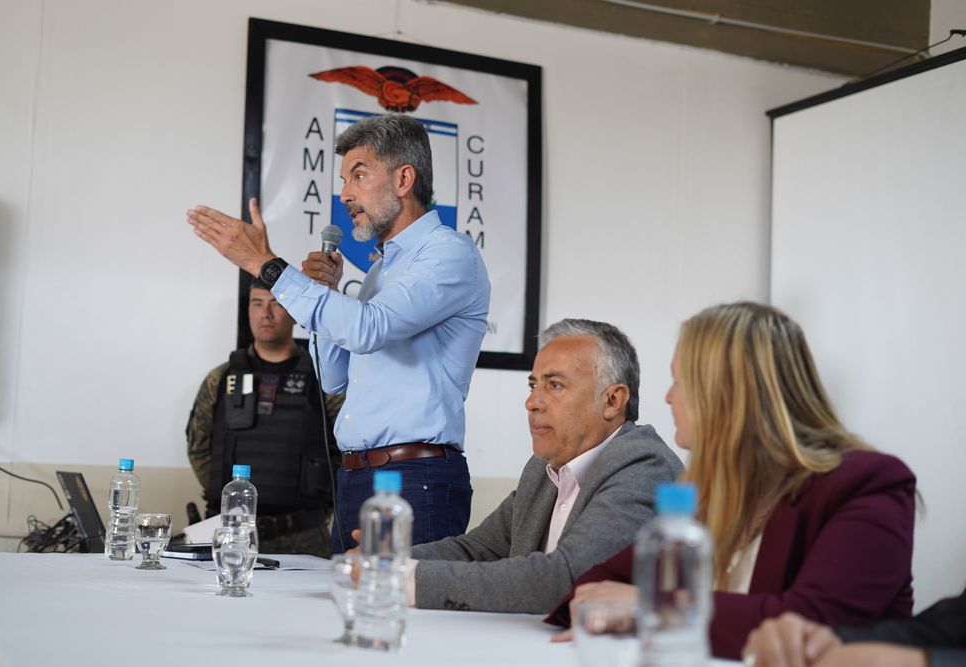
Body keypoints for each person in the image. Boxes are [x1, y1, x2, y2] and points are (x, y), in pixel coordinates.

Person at [187, 113, 491, 552]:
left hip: (413, 478)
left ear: (403, 179)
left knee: (402, 598)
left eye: (358, 175)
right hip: (355, 478)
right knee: (345, 596)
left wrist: (265, 265)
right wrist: (325, 292)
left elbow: (369, 329)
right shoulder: (381, 271)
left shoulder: (449, 253)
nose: (345, 193)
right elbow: (333, 378)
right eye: (344, 180)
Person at [545, 302, 917, 659]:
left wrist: (652, 608)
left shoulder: (867, 484)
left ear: (730, 393)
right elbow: (592, 589)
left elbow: (810, 626)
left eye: (680, 381)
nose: (668, 397)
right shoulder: (713, 492)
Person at [364, 318, 684, 614]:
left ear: (612, 401)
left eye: (554, 385)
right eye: (533, 386)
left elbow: (568, 579)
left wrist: (401, 578)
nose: (532, 402)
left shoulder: (644, 466)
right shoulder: (543, 467)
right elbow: (479, 548)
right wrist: (384, 561)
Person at [186, 280, 340, 556]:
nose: (265, 313)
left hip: (303, 537)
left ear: (293, 311)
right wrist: (231, 495)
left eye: (276, 304)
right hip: (231, 533)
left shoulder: (324, 379)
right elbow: (198, 448)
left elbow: (344, 450)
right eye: (257, 304)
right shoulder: (220, 378)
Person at [742, 587, 966, 667]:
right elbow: (946, 627)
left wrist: (921, 662)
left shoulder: (880, 500)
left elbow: (810, 606)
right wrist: (823, 641)